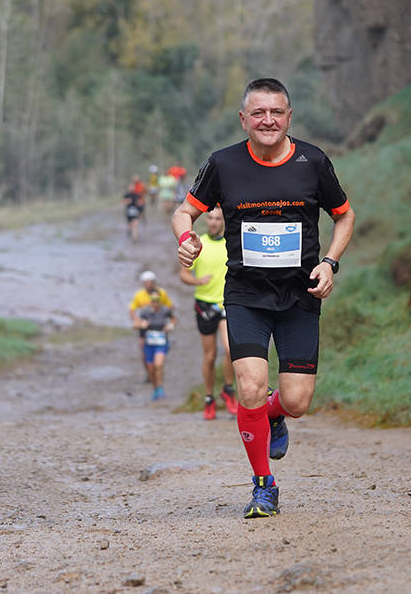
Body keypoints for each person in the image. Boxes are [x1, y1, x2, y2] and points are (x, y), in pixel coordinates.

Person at [171, 77, 355, 519]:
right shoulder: (224, 164)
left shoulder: (313, 161)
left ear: (289, 116)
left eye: (276, 112)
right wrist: (186, 237)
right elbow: (185, 211)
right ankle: (263, 485)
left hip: (299, 296)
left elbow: (345, 218)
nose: (267, 120)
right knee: (249, 387)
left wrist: (329, 263)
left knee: (296, 403)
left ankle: (274, 414)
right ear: (244, 119)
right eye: (258, 113)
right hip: (246, 296)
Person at [178, 206, 238, 420]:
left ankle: (228, 389)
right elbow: (184, 275)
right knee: (210, 355)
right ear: (206, 221)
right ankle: (209, 397)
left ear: (223, 221)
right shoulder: (198, 244)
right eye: (210, 218)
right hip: (204, 305)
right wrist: (197, 280)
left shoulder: (231, 244)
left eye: (217, 219)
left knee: (231, 349)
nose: (213, 222)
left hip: (225, 304)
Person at [129, 271, 174, 382]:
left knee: (159, 355)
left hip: (159, 328)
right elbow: (132, 310)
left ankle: (158, 375)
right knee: (145, 353)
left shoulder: (161, 293)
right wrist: (138, 322)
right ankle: (150, 374)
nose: (148, 284)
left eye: (150, 282)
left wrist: (168, 324)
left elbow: (170, 308)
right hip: (145, 330)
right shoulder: (139, 295)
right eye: (146, 282)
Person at [133, 290, 177, 400]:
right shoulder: (145, 312)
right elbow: (135, 324)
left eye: (157, 300)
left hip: (161, 343)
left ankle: (161, 388)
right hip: (149, 344)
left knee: (159, 364)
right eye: (153, 300)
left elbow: (174, 319)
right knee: (151, 369)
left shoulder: (165, 310)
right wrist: (141, 325)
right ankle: (155, 389)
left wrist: (170, 326)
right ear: (150, 301)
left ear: (160, 300)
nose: (155, 302)